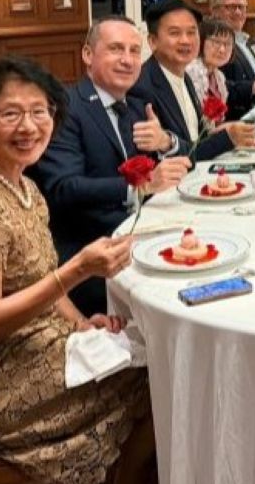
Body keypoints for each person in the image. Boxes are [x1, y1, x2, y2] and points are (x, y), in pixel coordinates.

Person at [0, 56, 156, 484]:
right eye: (10, 113)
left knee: (150, 359)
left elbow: (40, 279)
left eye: (40, 111)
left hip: (31, 349)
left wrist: (82, 326)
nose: (29, 126)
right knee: (152, 381)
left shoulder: (23, 187)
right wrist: (78, 269)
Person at [32, 16, 191, 317]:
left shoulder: (136, 104)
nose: (128, 60)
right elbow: (64, 189)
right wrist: (141, 186)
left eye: (134, 51)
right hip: (90, 254)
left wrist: (165, 141)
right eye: (116, 49)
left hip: (139, 234)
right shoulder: (66, 108)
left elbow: (187, 153)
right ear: (87, 55)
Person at [132, 0, 255, 162]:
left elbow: (197, 142)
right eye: (175, 33)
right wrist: (226, 139)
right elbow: (176, 157)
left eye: (191, 32)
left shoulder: (185, 78)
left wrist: (226, 131)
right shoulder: (142, 87)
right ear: (153, 41)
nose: (185, 40)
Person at [186, 18, 235, 104]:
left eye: (227, 44)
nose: (222, 50)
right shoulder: (190, 71)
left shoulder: (219, 76)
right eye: (216, 42)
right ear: (200, 41)